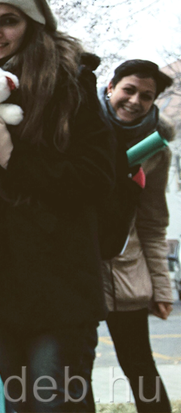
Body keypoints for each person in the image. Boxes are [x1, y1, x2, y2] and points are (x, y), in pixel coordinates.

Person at [0, 0, 116, 412]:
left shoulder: (71, 84)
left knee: (52, 403)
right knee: (11, 405)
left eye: (9, 20)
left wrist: (12, 155)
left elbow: (97, 176)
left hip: (59, 288)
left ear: (35, 26)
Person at [100, 59, 174, 412]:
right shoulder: (83, 128)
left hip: (126, 274)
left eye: (146, 96)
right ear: (110, 87)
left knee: (139, 365)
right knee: (73, 367)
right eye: (128, 90)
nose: (134, 101)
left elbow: (152, 224)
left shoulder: (156, 150)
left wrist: (161, 287)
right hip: (76, 268)